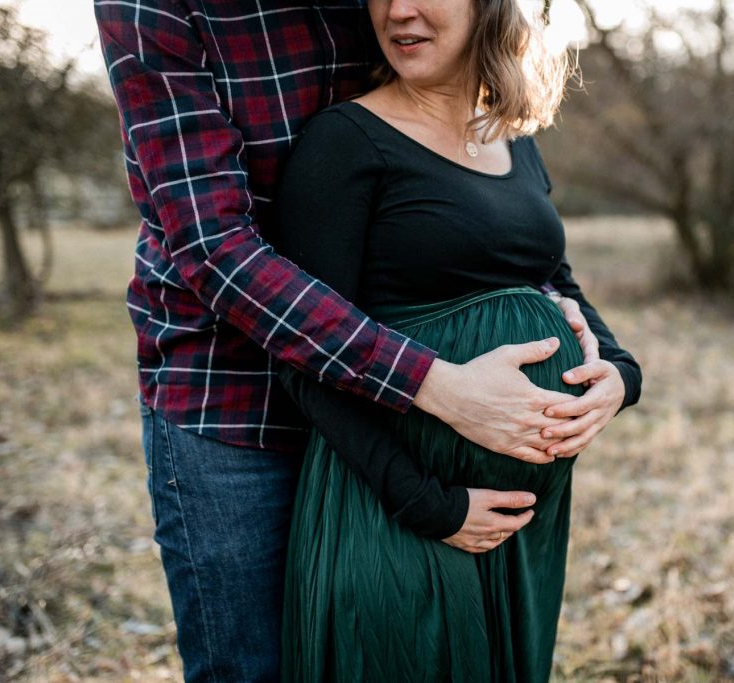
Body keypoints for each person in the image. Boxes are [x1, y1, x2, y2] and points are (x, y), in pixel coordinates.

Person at [93, 1, 634, 680]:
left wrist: (618, 373)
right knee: (258, 666)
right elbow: (213, 245)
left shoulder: (498, 128)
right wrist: (437, 393)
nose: (396, 9)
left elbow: (535, 265)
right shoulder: (157, 10)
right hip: (232, 389)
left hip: (416, 432)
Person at [272, 0, 642, 680]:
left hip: (519, 534)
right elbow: (303, 353)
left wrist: (620, 376)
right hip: (396, 510)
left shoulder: (513, 137)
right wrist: (432, 505)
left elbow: (552, 279)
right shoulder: (345, 141)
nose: (398, 10)